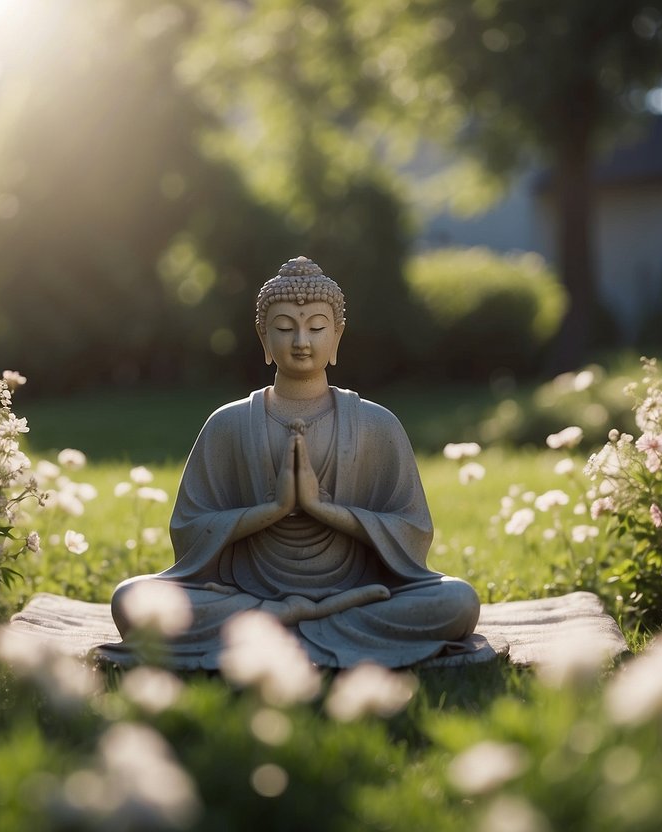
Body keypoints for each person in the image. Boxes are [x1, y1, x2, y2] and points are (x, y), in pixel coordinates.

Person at [108, 256, 480, 668]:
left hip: (355, 590)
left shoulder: (376, 424)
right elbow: (191, 528)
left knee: (458, 601)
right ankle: (292, 619)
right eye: (285, 328)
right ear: (264, 339)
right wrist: (273, 510)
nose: (301, 340)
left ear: (337, 336)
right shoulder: (227, 424)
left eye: (317, 327)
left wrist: (324, 510)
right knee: (132, 599)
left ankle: (276, 627)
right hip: (250, 594)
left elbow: (412, 528)